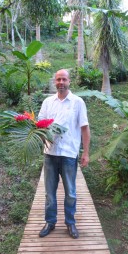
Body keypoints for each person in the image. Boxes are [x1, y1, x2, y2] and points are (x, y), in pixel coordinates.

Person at [38, 69, 90, 239]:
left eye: (64, 79)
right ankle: (50, 222)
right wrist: (45, 132)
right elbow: (40, 125)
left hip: (69, 153)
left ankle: (70, 222)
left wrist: (86, 152)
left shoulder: (77, 102)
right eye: (58, 79)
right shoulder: (47, 102)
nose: (61, 82)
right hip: (50, 153)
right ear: (55, 82)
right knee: (49, 192)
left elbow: (84, 128)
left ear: (69, 81)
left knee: (71, 192)